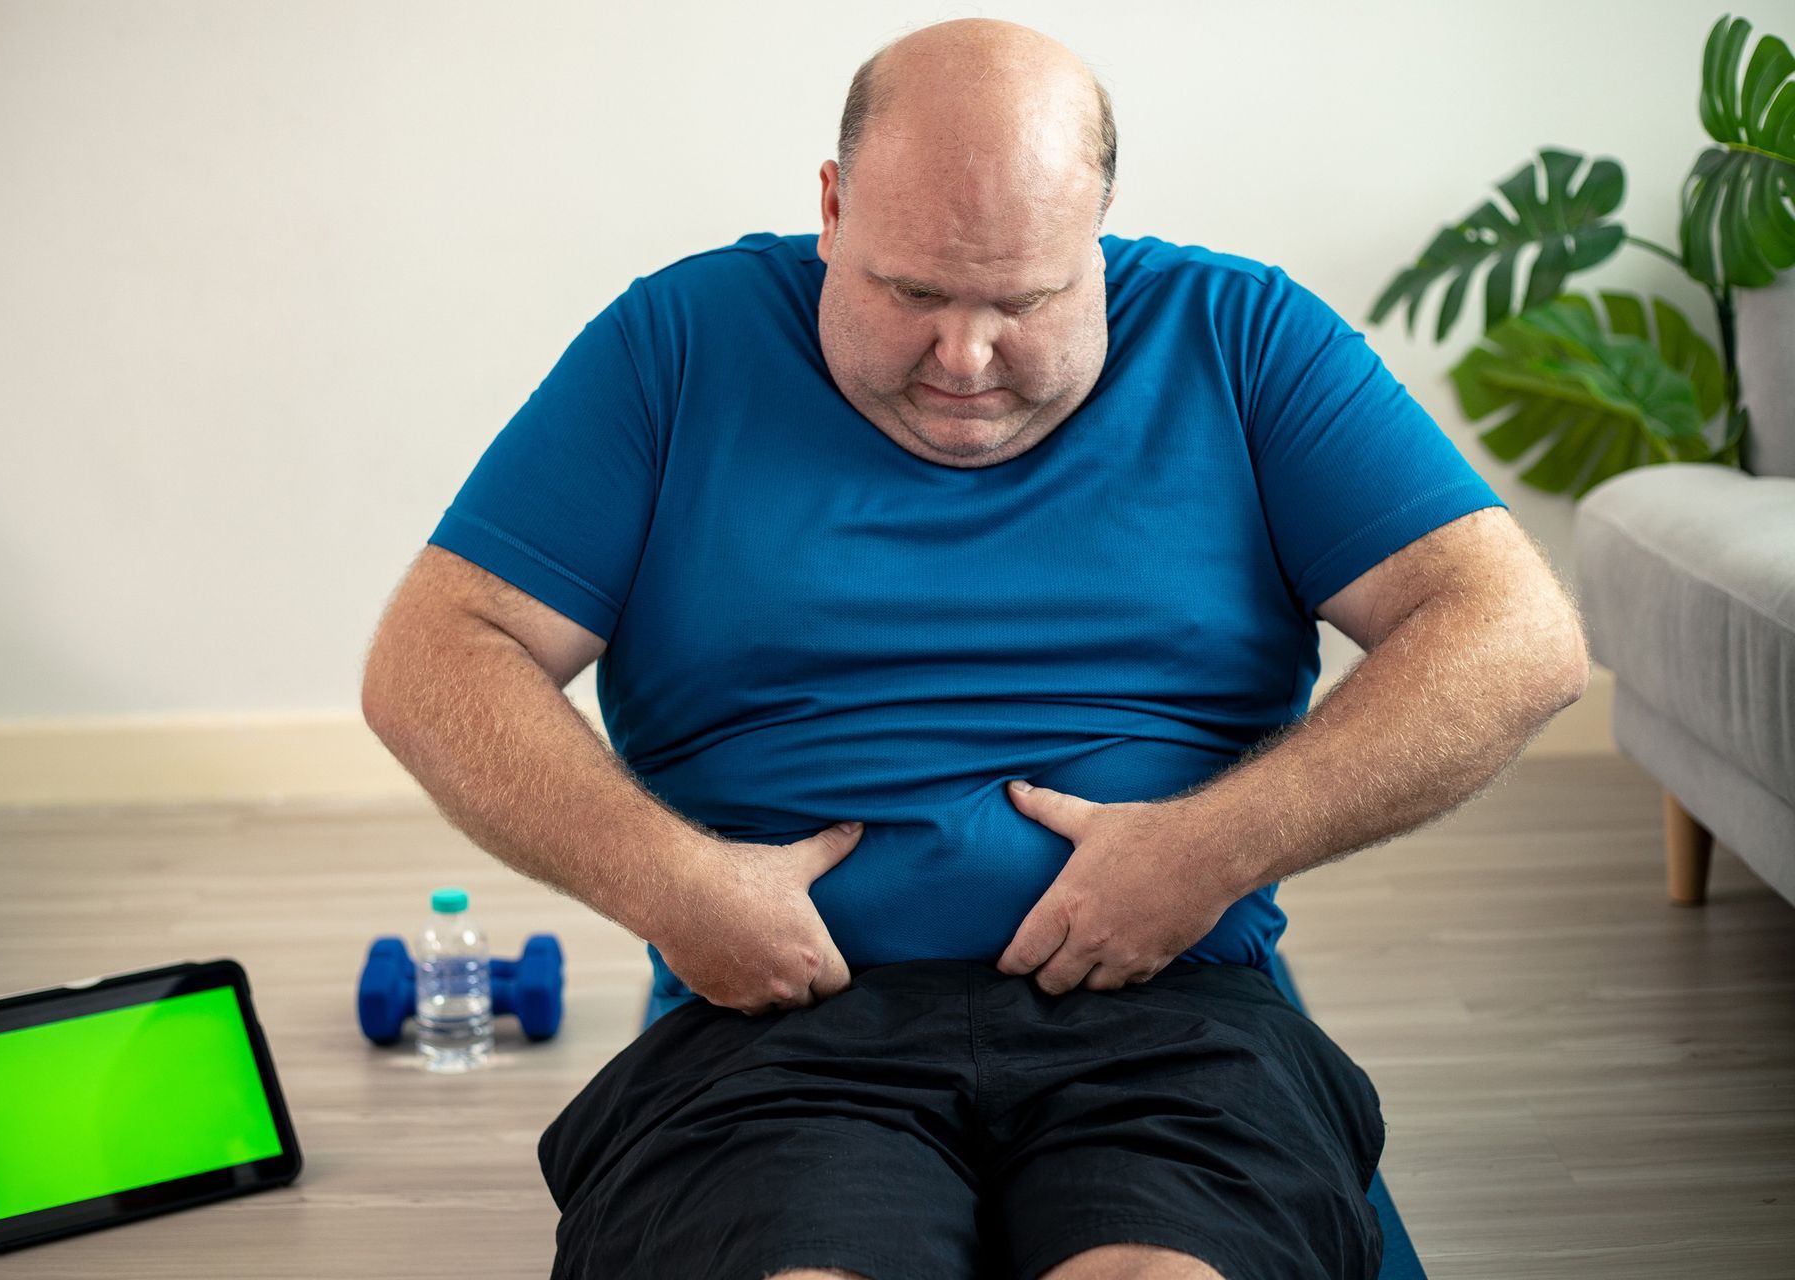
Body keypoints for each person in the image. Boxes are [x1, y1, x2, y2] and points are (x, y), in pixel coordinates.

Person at [361, 17, 1590, 1280]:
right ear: (831, 208)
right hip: (780, 1031)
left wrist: (1211, 848)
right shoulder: (678, 343)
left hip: (1170, 1014)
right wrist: (672, 886)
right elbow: (436, 650)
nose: (964, 357)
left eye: (1025, 299)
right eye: (912, 293)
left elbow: (1513, 632)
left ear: (1096, 233)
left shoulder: (1243, 336)